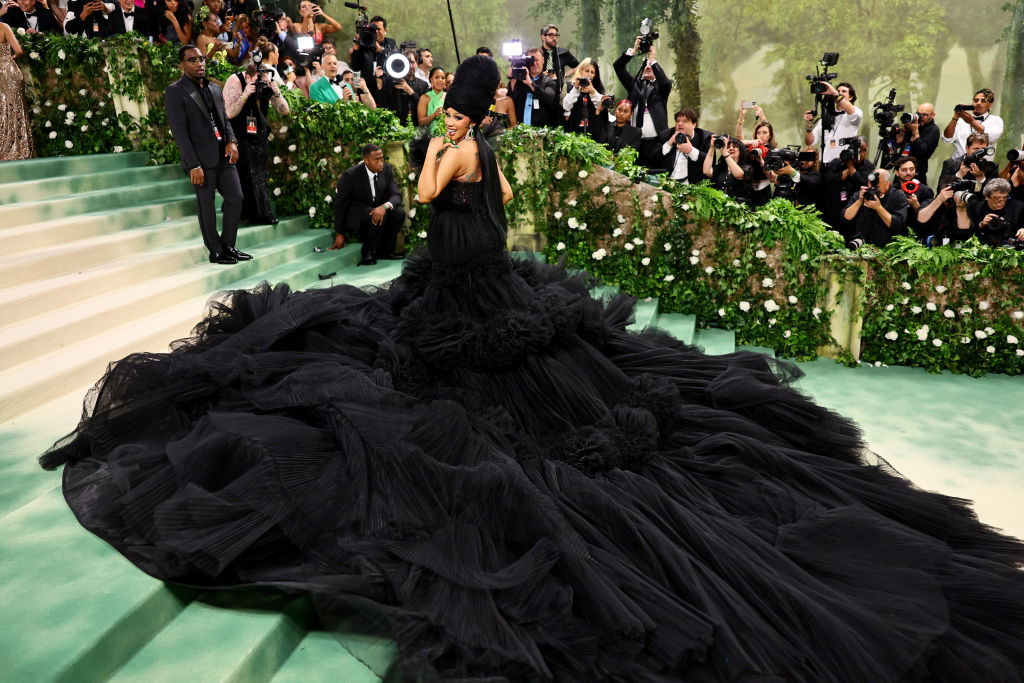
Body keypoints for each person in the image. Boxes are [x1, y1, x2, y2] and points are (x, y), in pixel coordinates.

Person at [38, 54, 1024, 683]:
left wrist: (441, 144)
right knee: (551, 392)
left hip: (460, 294)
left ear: (454, 108)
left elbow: (430, 195)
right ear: (487, 104)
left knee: (457, 402)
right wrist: (472, 159)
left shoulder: (451, 149)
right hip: (491, 281)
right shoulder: (495, 152)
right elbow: (499, 203)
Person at [165, 45, 246, 265]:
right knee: (207, 207)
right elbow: (180, 132)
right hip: (200, 160)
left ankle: (229, 245)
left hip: (223, 155)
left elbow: (224, 118)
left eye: (201, 59)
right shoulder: (176, 91)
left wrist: (232, 141)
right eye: (193, 60)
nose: (199, 63)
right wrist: (192, 165)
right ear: (182, 64)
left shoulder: (214, 88)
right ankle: (216, 250)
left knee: (236, 197)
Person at [224, 54, 289, 226]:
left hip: (258, 134)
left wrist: (276, 91)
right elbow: (229, 113)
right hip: (238, 133)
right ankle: (242, 212)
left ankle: (262, 212)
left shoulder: (266, 83)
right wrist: (246, 93)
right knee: (244, 172)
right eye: (256, 80)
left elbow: (285, 110)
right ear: (247, 77)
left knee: (260, 173)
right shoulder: (235, 81)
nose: (260, 83)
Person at [331, 143, 405, 265]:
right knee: (374, 213)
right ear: (366, 160)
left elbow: (396, 195)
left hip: (378, 209)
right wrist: (340, 234)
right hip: (358, 213)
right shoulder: (350, 175)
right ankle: (368, 252)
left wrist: (384, 206)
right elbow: (340, 205)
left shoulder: (386, 170)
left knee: (399, 213)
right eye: (376, 160)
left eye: (382, 158)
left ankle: (386, 251)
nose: (381, 163)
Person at [613, 38, 671, 169]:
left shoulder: (661, 89)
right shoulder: (634, 85)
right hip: (634, 140)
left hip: (656, 141)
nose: (648, 68)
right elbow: (618, 67)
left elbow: (666, 83)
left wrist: (652, 59)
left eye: (651, 67)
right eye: (646, 66)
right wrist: (633, 51)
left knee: (654, 174)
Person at [842, 168, 908, 248]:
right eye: (870, 184)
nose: (872, 188)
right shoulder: (860, 194)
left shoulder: (898, 196)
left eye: (877, 186)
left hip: (886, 249)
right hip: (860, 246)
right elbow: (845, 218)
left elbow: (898, 225)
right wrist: (860, 200)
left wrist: (878, 208)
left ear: (887, 184)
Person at [803, 81, 862, 164]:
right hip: (823, 164)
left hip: (843, 164)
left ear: (851, 97)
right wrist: (809, 125)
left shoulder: (856, 113)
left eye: (844, 91)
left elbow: (852, 112)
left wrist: (834, 92)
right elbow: (810, 142)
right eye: (838, 91)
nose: (839, 93)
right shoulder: (826, 117)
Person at [0, 20, 32, 161]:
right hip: (8, 71)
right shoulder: (4, 27)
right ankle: (19, 148)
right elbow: (18, 50)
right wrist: (9, 58)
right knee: (15, 108)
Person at [942, 88, 1002, 162]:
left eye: (983, 101)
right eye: (976, 100)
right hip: (957, 166)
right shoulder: (961, 120)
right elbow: (946, 138)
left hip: (981, 168)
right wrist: (956, 117)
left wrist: (972, 122)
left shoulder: (996, 120)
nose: (978, 103)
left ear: (990, 104)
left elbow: (992, 137)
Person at [507, 47, 560, 128]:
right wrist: (513, 79)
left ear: (543, 60)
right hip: (519, 130)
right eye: (531, 61)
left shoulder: (549, 81)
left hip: (541, 131)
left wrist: (530, 83)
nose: (534, 64)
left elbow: (549, 98)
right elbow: (510, 100)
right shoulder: (519, 81)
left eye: (537, 60)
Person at [962, 178, 1024, 246]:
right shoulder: (975, 208)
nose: (1002, 202)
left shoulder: (1018, 206)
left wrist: (1022, 229)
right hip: (982, 246)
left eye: (1005, 197)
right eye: (997, 198)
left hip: (1011, 247)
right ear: (986, 197)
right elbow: (965, 233)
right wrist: (981, 225)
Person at [561, 57, 611, 139]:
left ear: (595, 75)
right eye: (586, 71)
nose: (589, 74)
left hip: (592, 133)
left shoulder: (597, 89)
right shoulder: (570, 86)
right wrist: (576, 89)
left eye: (592, 72)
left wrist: (593, 92)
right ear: (581, 71)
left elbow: (601, 109)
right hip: (573, 132)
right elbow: (566, 106)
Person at [658, 108, 711, 184]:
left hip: (692, 185)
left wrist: (691, 151)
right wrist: (669, 144)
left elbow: (710, 162)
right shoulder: (666, 135)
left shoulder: (705, 138)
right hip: (667, 183)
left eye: (685, 121)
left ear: (694, 124)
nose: (680, 123)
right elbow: (653, 159)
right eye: (678, 121)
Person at [890, 103, 939, 184]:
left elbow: (923, 151)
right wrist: (903, 130)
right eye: (918, 114)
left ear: (933, 115)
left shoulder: (933, 130)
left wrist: (915, 132)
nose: (921, 117)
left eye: (925, 115)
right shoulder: (913, 125)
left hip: (917, 172)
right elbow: (898, 144)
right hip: (901, 169)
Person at [892, 155, 934, 242]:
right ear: (897, 172)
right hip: (895, 235)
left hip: (917, 236)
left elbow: (931, 220)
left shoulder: (925, 190)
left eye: (911, 169)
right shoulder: (892, 191)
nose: (908, 172)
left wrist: (917, 206)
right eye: (904, 170)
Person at [702, 135, 755, 204]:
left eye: (734, 146)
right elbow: (706, 171)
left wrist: (725, 153)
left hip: (739, 208)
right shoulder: (721, 167)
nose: (731, 148)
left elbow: (738, 174)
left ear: (740, 150)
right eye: (728, 147)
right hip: (720, 206)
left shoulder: (747, 167)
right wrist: (712, 147)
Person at [539, 23, 577, 92]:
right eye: (551, 35)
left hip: (559, 94)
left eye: (556, 35)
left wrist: (567, 73)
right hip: (541, 92)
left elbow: (580, 66)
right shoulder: (537, 54)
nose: (554, 38)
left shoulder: (563, 53)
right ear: (543, 37)